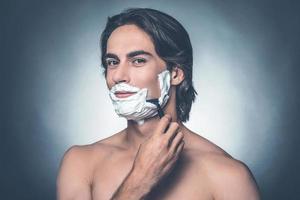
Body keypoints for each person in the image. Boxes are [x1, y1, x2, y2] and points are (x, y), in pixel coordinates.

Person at [57, 8, 260, 200]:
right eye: (112, 62)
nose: (118, 76)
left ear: (175, 74)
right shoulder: (81, 163)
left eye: (138, 61)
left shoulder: (228, 176)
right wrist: (138, 180)